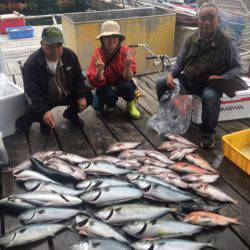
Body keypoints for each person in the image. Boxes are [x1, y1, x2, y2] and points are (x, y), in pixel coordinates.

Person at [156, 3, 241, 149]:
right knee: (161, 82)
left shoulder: (227, 43)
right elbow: (180, 62)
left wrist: (224, 78)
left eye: (211, 18)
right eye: (203, 18)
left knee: (210, 97)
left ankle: (207, 133)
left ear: (218, 19)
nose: (206, 22)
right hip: (189, 80)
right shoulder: (190, 38)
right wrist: (171, 74)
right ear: (198, 19)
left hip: (210, 84)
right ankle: (169, 118)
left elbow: (238, 67)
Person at [16, 26, 93, 134]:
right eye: (51, 46)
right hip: (45, 99)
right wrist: (43, 112)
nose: (56, 50)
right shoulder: (31, 64)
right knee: (34, 117)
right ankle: (43, 121)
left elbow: (78, 77)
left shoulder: (69, 55)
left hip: (66, 93)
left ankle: (71, 114)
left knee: (88, 96)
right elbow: (32, 92)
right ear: (42, 44)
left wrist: (80, 96)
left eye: (59, 45)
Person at [87, 20, 140, 119]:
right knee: (105, 93)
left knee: (127, 85)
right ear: (102, 39)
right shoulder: (97, 54)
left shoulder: (126, 52)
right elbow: (96, 82)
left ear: (119, 39)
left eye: (114, 36)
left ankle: (130, 104)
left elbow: (128, 77)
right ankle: (110, 105)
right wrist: (100, 71)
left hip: (122, 82)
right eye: (107, 37)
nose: (111, 40)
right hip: (106, 84)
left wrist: (128, 67)